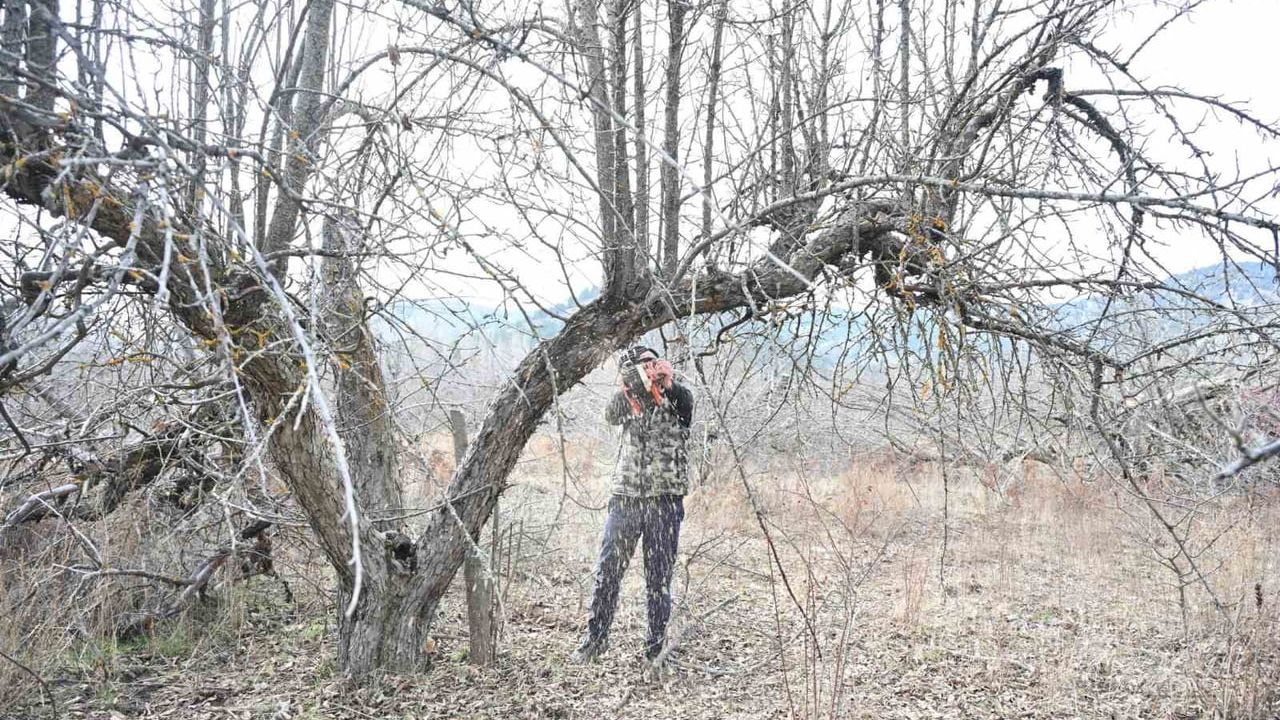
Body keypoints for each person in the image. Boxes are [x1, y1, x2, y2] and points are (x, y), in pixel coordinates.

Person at [571, 345, 694, 664]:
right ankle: (595, 641)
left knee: (659, 578)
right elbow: (611, 415)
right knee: (608, 571)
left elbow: (687, 409)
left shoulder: (677, 397)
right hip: (626, 498)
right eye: (642, 365)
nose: (649, 369)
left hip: (665, 501)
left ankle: (655, 648)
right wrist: (631, 387)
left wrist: (668, 384)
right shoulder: (629, 399)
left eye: (653, 363)